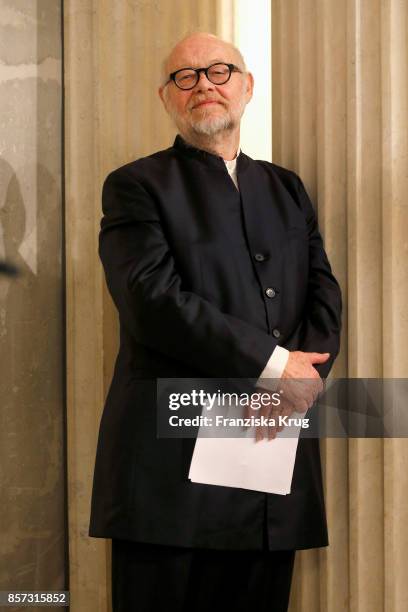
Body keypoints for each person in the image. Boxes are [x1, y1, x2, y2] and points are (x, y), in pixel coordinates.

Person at [89, 32, 342, 612]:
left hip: (271, 459)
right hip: (169, 474)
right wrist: (276, 366)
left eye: (219, 71)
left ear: (247, 87)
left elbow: (323, 292)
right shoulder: (135, 185)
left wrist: (304, 374)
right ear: (166, 98)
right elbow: (152, 302)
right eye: (185, 76)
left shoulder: (287, 187)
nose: (203, 83)